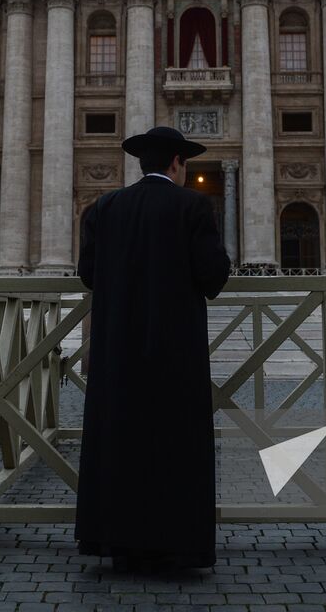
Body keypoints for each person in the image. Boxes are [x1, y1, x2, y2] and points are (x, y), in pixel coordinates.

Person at [75, 125, 232, 571]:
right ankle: (175, 543)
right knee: (174, 444)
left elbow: (88, 273)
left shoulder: (104, 206)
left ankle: (118, 541)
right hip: (175, 349)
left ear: (141, 164)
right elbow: (213, 278)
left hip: (116, 350)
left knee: (119, 440)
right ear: (177, 164)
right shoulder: (193, 205)